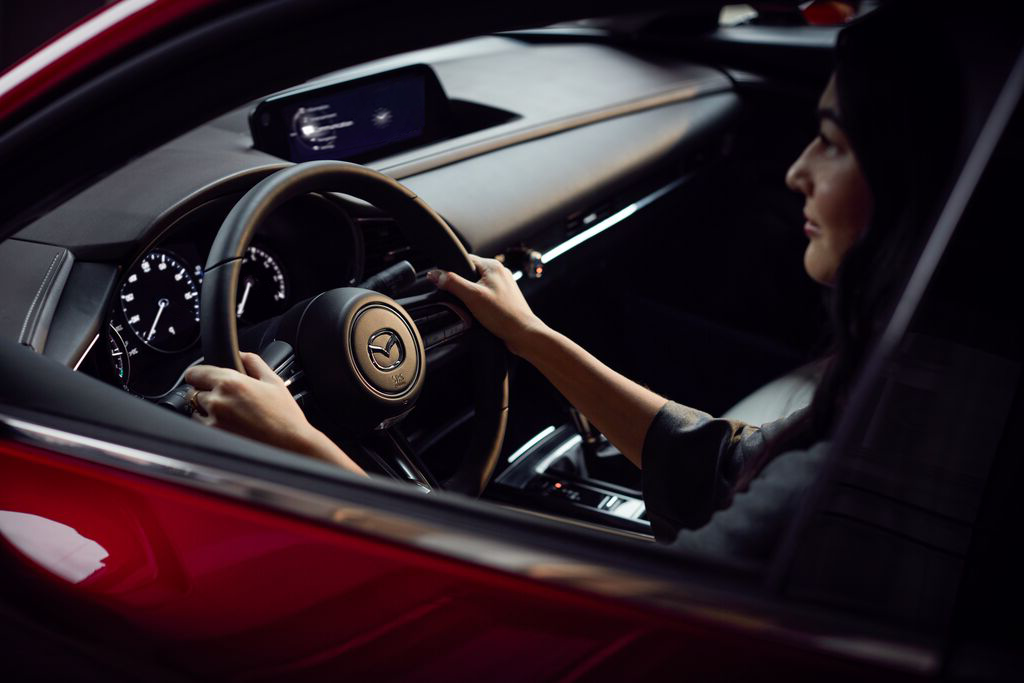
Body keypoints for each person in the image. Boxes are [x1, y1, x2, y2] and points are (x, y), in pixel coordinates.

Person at [185, 3, 962, 560]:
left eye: (831, 143)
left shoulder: (827, 492)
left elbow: (570, 615)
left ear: (912, 185)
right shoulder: (907, 392)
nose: (796, 172)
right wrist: (530, 336)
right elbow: (717, 460)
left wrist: (301, 449)